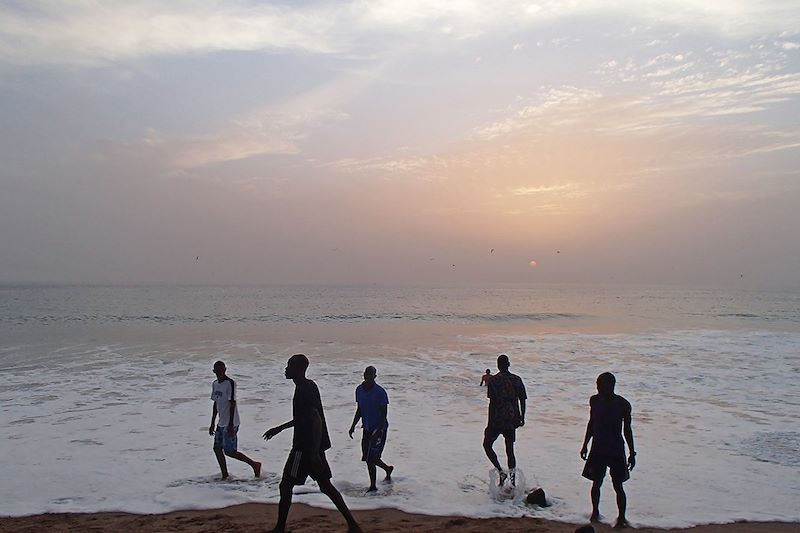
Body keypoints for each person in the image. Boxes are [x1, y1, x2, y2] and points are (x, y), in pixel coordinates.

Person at [263, 354, 361, 533]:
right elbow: (303, 418)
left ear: (298, 369)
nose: (286, 369)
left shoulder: (303, 391)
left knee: (286, 485)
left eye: (289, 366)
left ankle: (279, 528)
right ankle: (353, 525)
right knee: (325, 485)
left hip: (303, 449)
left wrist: (314, 453)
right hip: (314, 447)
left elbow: (316, 420)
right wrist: (280, 428)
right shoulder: (309, 385)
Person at [580, 372, 636, 529]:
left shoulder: (623, 404)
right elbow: (591, 423)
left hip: (615, 449)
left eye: (600, 384)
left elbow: (627, 431)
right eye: (597, 384)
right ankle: (595, 512)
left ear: (610, 386)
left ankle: (621, 517)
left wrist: (632, 452)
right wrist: (585, 444)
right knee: (596, 483)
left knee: (618, 485)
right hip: (598, 447)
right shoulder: (594, 400)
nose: (597, 387)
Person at [209, 360, 261, 480]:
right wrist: (212, 423)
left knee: (230, 451)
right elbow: (215, 404)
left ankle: (255, 464)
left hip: (231, 422)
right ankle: (225, 475)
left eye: (222, 370)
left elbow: (232, 403)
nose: (220, 373)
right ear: (214, 371)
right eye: (217, 371)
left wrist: (231, 424)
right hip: (221, 422)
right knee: (217, 448)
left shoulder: (230, 383)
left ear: (225, 370)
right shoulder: (215, 384)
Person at [348, 366, 394, 492]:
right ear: (363, 375)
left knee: (371, 458)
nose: (368, 376)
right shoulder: (359, 390)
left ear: (375, 376)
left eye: (371, 375)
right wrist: (353, 425)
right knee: (368, 457)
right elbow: (360, 410)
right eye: (366, 374)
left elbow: (384, 413)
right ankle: (387, 469)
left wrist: (379, 430)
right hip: (367, 428)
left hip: (379, 428)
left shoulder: (380, 392)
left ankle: (373, 486)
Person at [483, 354, 527, 486]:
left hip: (497, 420)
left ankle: (501, 472)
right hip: (511, 420)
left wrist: (489, 423)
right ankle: (513, 482)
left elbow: (492, 403)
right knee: (510, 451)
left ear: (498, 366)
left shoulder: (493, 381)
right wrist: (522, 417)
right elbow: (523, 400)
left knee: (487, 445)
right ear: (508, 364)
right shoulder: (517, 379)